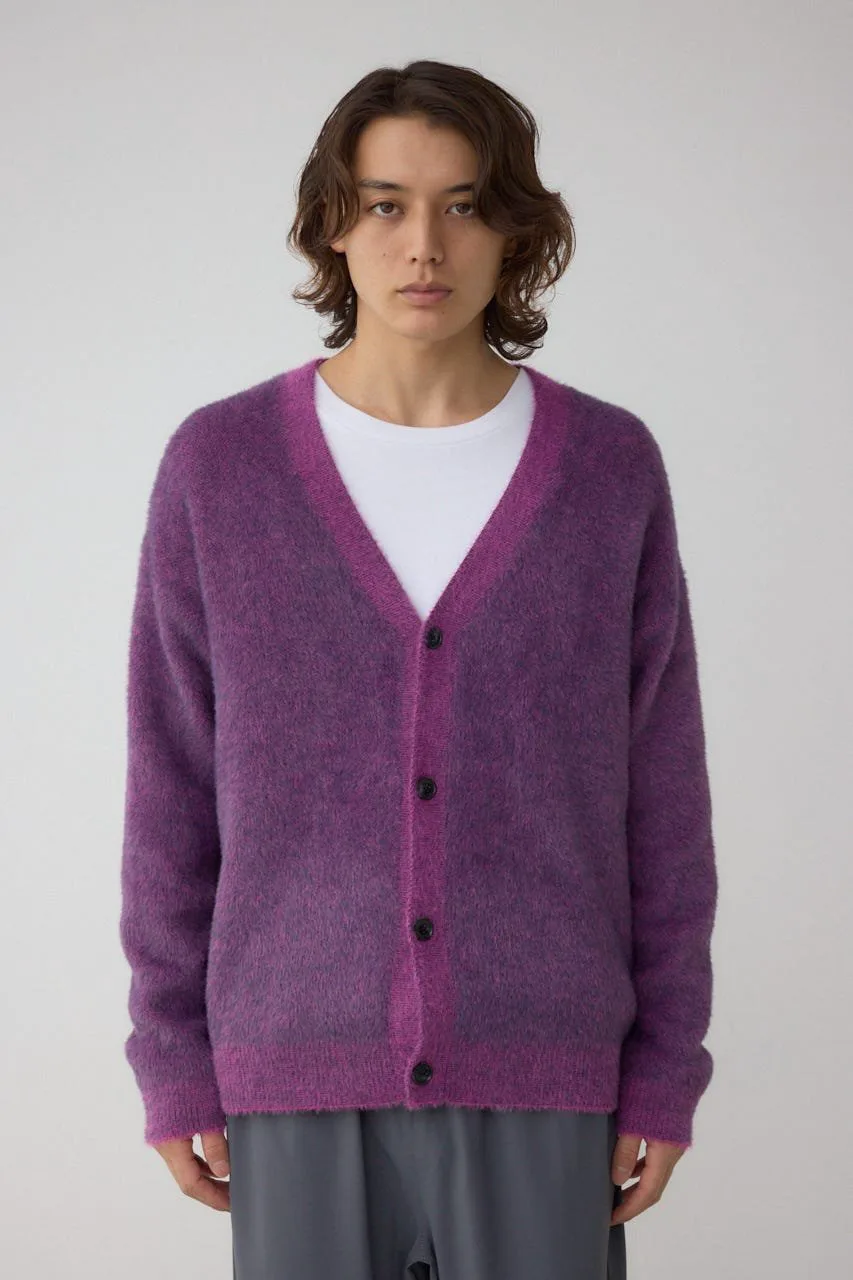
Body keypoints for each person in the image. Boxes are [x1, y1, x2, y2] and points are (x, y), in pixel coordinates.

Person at [119, 59, 717, 1280]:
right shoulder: (220, 468)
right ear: (333, 225)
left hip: (548, 1070)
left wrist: (666, 1064)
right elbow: (170, 784)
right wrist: (169, 1053)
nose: (424, 245)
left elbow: (662, 797)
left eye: (465, 204)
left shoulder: (609, 470)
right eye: (385, 204)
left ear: (516, 231)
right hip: (291, 1066)